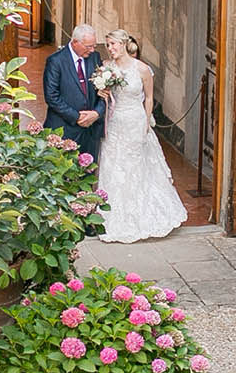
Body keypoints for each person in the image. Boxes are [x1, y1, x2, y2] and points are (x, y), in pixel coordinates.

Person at [96, 29, 188, 243]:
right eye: (108, 45)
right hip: (115, 121)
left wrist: (146, 122)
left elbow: (148, 98)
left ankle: (141, 215)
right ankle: (111, 216)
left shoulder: (142, 69)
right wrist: (102, 93)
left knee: (135, 166)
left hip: (135, 120)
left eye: (113, 44)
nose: (110, 49)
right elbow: (103, 96)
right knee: (112, 165)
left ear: (124, 44)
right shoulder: (106, 68)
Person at [42, 23, 107, 161]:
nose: (92, 50)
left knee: (87, 174)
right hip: (65, 128)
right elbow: (51, 96)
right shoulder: (56, 61)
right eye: (88, 46)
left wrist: (96, 113)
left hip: (90, 130)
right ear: (75, 42)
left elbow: (104, 91)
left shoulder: (95, 57)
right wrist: (77, 117)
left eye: (94, 46)